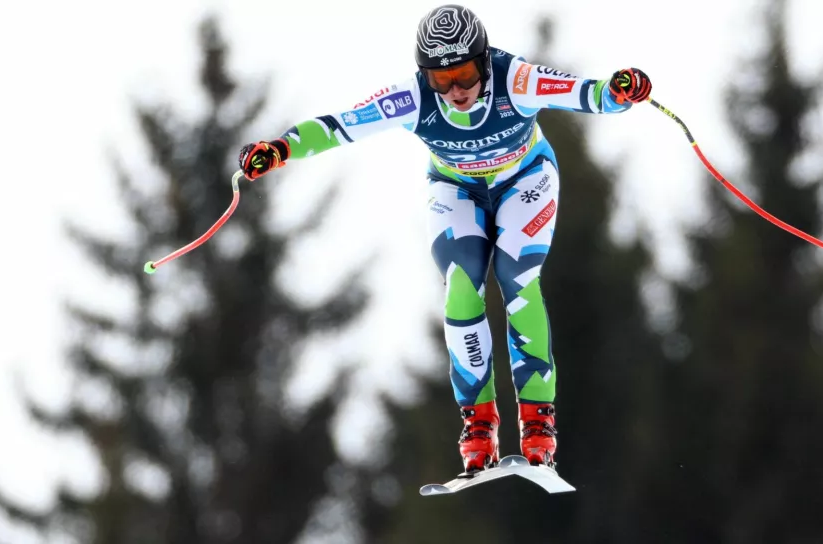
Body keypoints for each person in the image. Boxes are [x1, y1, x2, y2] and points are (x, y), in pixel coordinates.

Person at [238, 4, 652, 473]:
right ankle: (479, 423)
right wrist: (280, 149)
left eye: (465, 74)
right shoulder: (412, 98)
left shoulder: (515, 80)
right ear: (425, 75)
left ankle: (538, 420)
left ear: (484, 60)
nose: (456, 90)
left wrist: (621, 90)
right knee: (461, 285)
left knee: (517, 280)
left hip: (526, 181)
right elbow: (341, 126)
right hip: (457, 190)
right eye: (441, 78)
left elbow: (589, 94)